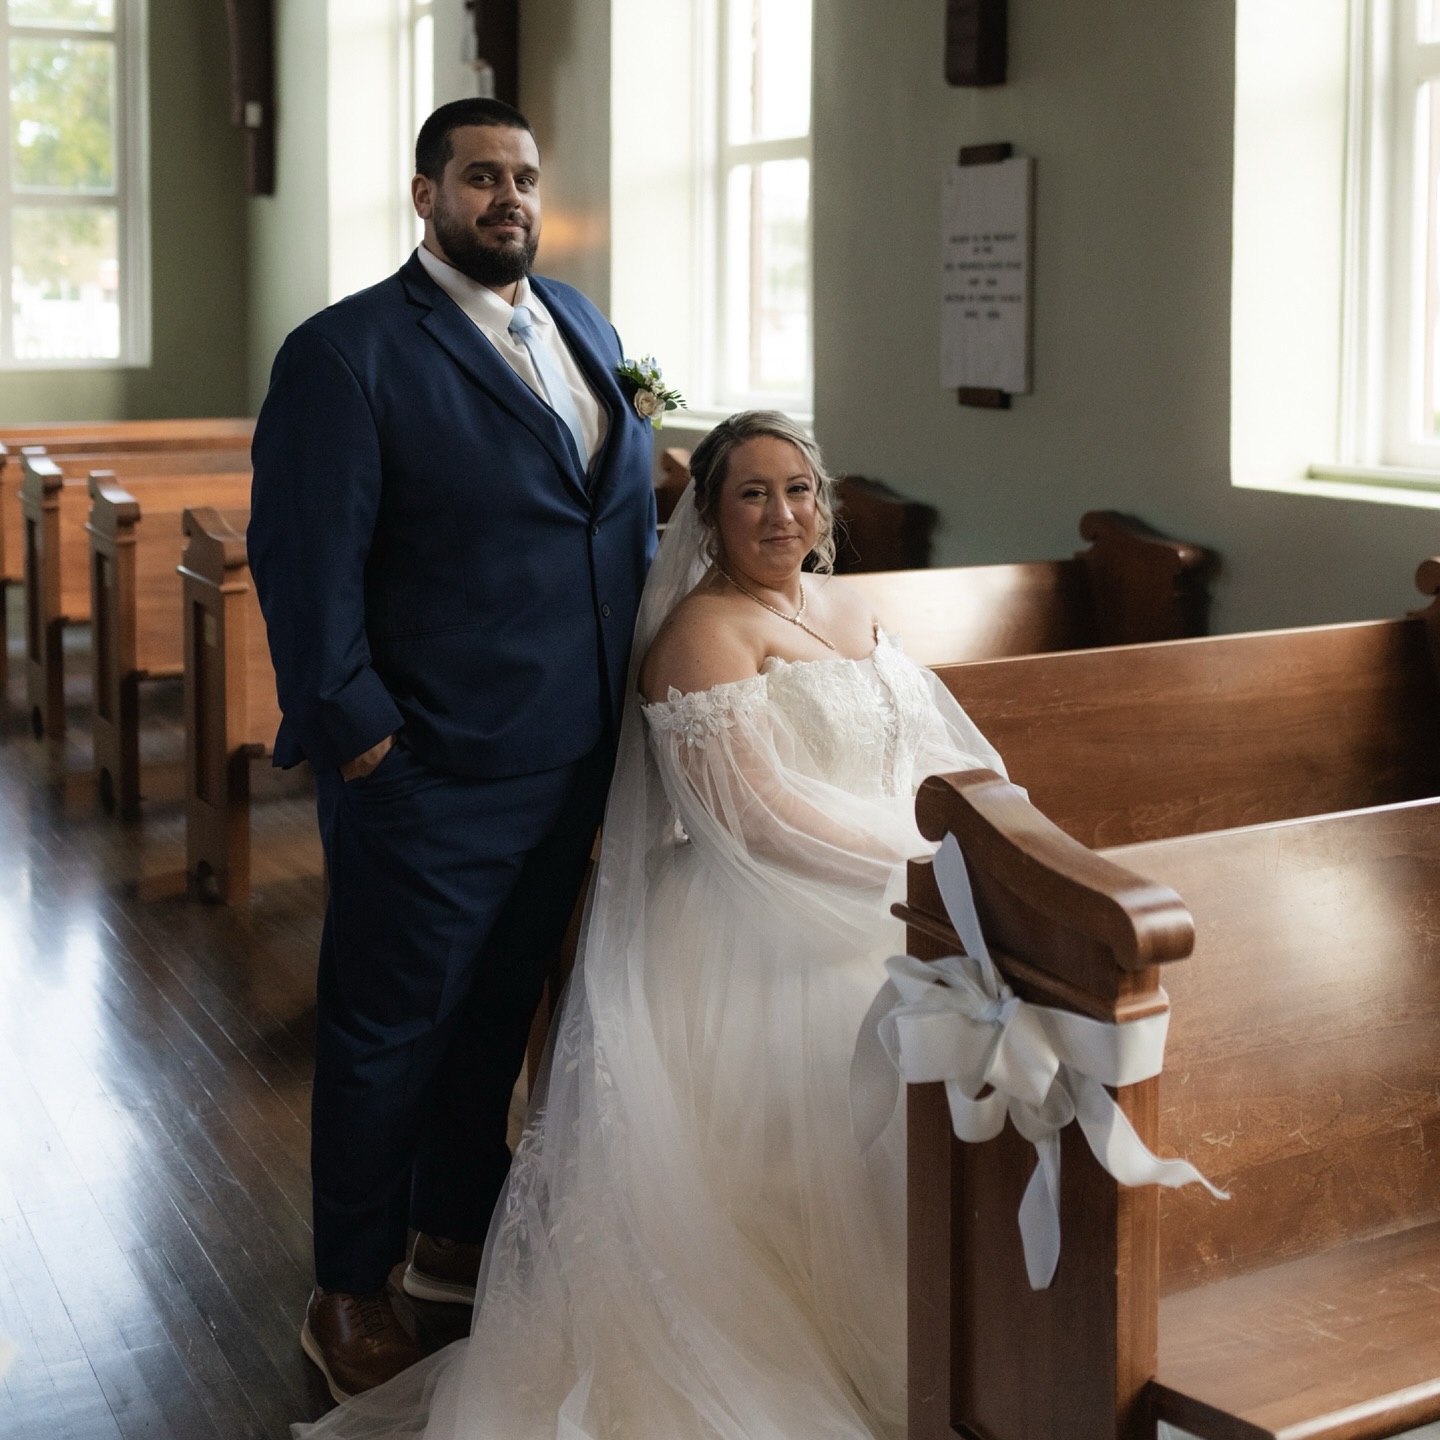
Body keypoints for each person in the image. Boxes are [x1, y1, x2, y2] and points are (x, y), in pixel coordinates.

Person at [290, 411, 1006, 1440]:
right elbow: (754, 817)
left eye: (798, 489)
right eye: (752, 493)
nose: (781, 512)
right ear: (708, 516)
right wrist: (915, 874)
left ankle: (969, 1333)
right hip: (763, 917)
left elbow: (930, 745)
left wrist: (989, 841)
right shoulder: (702, 635)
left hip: (887, 883)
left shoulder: (846, 608)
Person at [247, 97, 657, 1401]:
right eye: (480, 177)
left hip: (572, 751)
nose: (509, 197)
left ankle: (451, 1237)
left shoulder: (582, 324)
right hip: (429, 768)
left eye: (523, 176)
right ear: (426, 195)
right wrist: (366, 744)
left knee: (496, 1016)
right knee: (387, 1034)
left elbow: (605, 520)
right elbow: (304, 566)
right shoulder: (347, 353)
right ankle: (347, 1289)